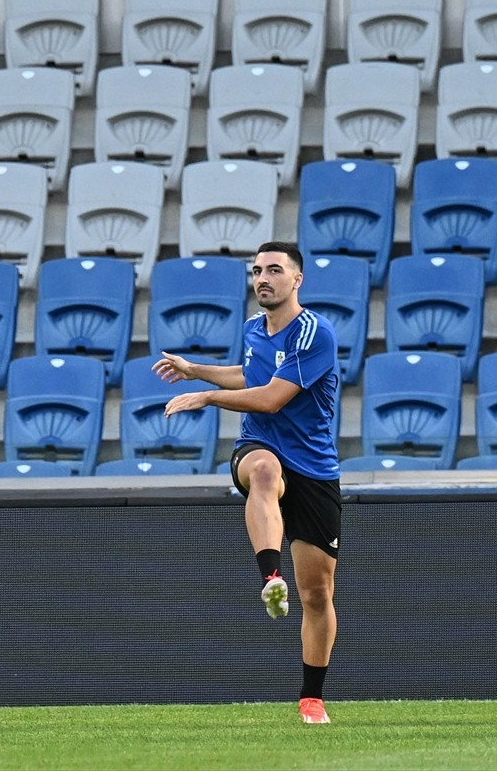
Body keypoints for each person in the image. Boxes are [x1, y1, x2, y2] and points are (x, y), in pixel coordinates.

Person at [152, 241, 341, 724]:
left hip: (315, 468)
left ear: (297, 280)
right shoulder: (253, 329)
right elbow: (250, 373)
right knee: (262, 470)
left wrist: (206, 396)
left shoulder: (314, 333)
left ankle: (311, 697)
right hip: (261, 448)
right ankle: (269, 577)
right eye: (256, 270)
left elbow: (273, 396)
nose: (263, 278)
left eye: (274, 270)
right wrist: (196, 369)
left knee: (318, 595)